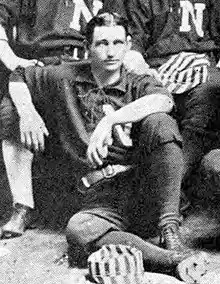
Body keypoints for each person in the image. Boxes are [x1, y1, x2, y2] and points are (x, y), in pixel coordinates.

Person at [8, 12, 210, 281]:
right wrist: (27, 112)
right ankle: (173, 260)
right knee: (78, 230)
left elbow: (164, 102)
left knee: (160, 122)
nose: (111, 51)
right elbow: (19, 74)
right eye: (102, 43)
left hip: (145, 192)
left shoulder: (137, 81)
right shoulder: (64, 77)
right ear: (88, 46)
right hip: (100, 198)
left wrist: (111, 120)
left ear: (128, 45)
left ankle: (170, 231)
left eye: (117, 43)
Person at [0, 0, 122, 238]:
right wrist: (13, 61)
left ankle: (104, 199)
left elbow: (123, 28)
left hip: (88, 64)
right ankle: (22, 205)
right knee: (10, 111)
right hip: (39, 63)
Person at [119, 0, 220, 210]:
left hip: (204, 66)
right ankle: (166, 193)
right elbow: (132, 48)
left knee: (209, 93)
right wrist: (143, 69)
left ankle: (168, 189)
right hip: (157, 67)